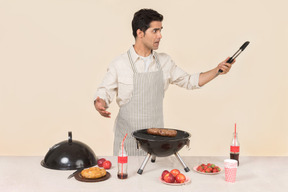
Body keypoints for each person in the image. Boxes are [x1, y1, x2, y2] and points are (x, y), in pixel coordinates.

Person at [94, 9, 235, 156]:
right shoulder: (120, 64)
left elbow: (189, 81)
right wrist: (100, 103)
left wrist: (217, 71)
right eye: (155, 31)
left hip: (156, 144)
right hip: (127, 142)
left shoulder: (164, 61)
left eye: (160, 30)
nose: (160, 36)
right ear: (140, 33)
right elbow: (104, 92)